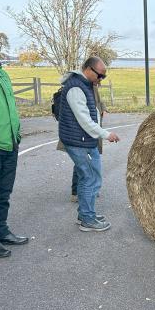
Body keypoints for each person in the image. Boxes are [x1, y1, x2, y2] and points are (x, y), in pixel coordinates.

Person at [58, 56, 120, 232]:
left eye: (103, 77)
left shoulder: (84, 84)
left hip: (82, 140)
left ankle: (86, 213)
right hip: (80, 141)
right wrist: (106, 134)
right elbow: (84, 120)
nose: (101, 80)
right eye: (100, 75)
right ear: (88, 69)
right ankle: (87, 219)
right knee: (90, 178)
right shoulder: (76, 88)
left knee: (90, 177)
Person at [0, 29, 29, 258]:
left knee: (4, 193)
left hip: (10, 143)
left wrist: (17, 134)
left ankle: (2, 230)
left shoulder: (1, 73)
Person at [61, 85, 108, 202]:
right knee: (82, 162)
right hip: (81, 132)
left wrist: (103, 107)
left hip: (91, 130)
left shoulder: (91, 84)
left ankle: (87, 191)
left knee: (87, 161)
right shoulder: (79, 85)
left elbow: (97, 99)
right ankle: (76, 192)